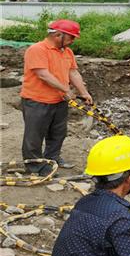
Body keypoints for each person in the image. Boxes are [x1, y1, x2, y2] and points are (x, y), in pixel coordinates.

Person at [20, 19, 92, 175]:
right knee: (34, 135)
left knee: (58, 133)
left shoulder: (67, 52)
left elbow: (73, 72)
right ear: (58, 35)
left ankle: (52, 158)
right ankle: (35, 166)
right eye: (71, 37)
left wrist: (83, 92)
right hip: (37, 101)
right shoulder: (37, 50)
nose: (73, 41)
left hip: (59, 101)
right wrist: (65, 89)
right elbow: (43, 74)